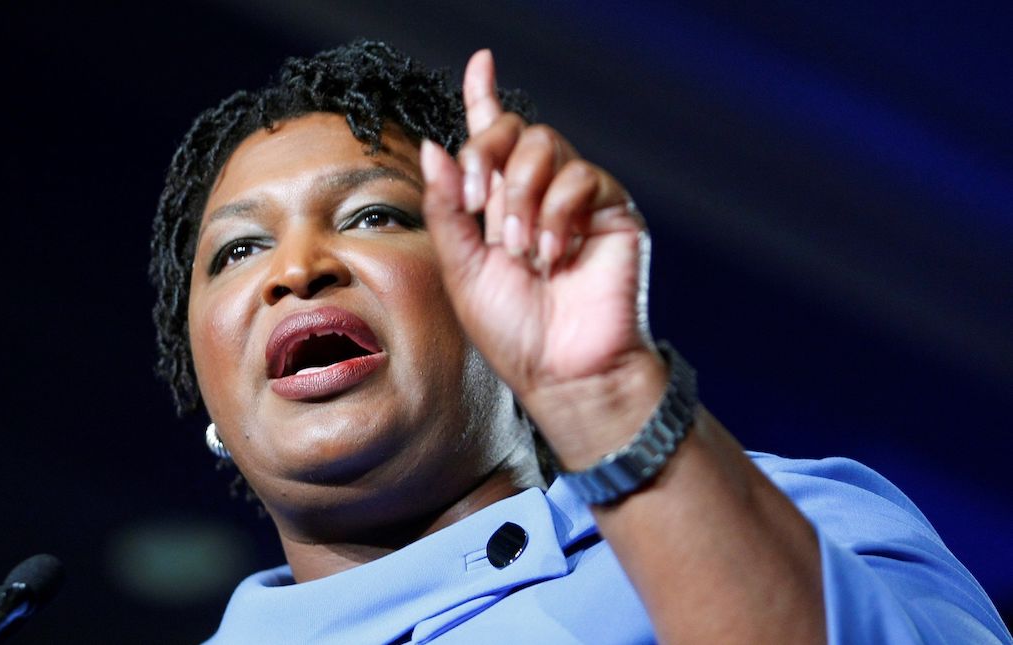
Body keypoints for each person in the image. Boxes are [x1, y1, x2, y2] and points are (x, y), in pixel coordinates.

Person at [150, 41, 1010, 644]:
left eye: (374, 214)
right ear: (206, 390)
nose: (295, 270)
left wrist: (607, 394)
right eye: (237, 250)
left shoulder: (804, 529)